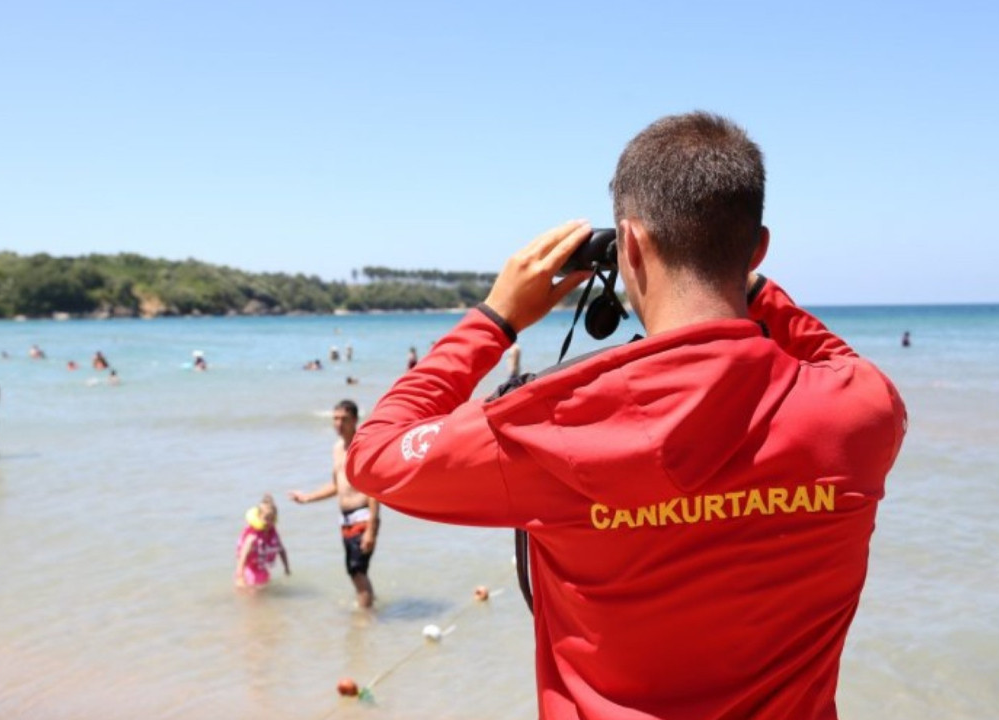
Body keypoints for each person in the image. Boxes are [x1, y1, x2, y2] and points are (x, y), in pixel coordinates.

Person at [344, 113, 907, 719]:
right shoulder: (862, 412)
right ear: (758, 249)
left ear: (628, 244)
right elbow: (834, 357)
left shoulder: (551, 428)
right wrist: (760, 290)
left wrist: (493, 320)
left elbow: (375, 454)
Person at [289, 400, 380, 609]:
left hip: (363, 516)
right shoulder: (337, 448)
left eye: (344, 419)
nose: (338, 424)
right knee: (353, 571)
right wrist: (307, 498)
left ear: (355, 420)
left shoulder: (362, 447)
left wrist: (371, 529)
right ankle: (368, 609)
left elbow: (373, 489)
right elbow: (336, 485)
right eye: (335, 419)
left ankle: (365, 620)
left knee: (357, 571)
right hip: (346, 518)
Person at [235, 494, 290, 589]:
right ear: (259, 517)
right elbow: (243, 556)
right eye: (266, 518)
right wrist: (240, 576)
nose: (269, 522)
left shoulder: (273, 533)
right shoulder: (253, 535)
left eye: (272, 519)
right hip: (249, 572)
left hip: (262, 570)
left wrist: (286, 567)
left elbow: (281, 550)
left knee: (264, 595)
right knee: (252, 597)